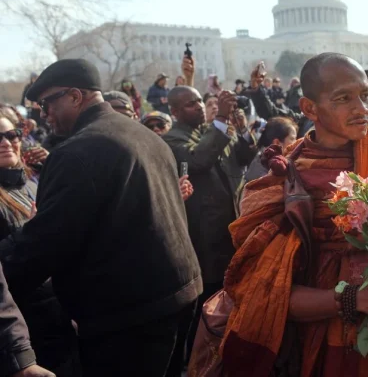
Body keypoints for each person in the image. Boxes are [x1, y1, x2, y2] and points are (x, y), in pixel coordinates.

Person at [207, 52, 368, 376]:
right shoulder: (284, 181)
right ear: (309, 108)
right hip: (320, 348)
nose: (362, 108)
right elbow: (262, 289)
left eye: (365, 95)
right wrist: (355, 298)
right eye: (343, 98)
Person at [2, 59, 202, 377]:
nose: (43, 114)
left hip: (128, 318)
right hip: (178, 295)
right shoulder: (144, 135)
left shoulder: (77, 154)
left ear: (75, 97)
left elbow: (45, 244)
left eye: (46, 103)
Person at [163, 86, 258, 360]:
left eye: (199, 101)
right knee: (204, 308)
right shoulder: (172, 140)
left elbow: (242, 157)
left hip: (228, 230)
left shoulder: (213, 132)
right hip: (203, 237)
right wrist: (220, 123)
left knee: (226, 298)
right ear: (175, 111)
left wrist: (239, 129)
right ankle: (197, 360)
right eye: (191, 104)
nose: (199, 106)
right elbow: (200, 159)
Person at [0, 117, 80, 376]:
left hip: (61, 315)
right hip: (23, 328)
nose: (6, 143)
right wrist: (31, 231)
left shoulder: (34, 181)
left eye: (12, 135)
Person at [244, 117, 298, 183]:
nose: (297, 143)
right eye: (292, 139)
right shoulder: (266, 175)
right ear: (277, 143)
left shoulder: (264, 159)